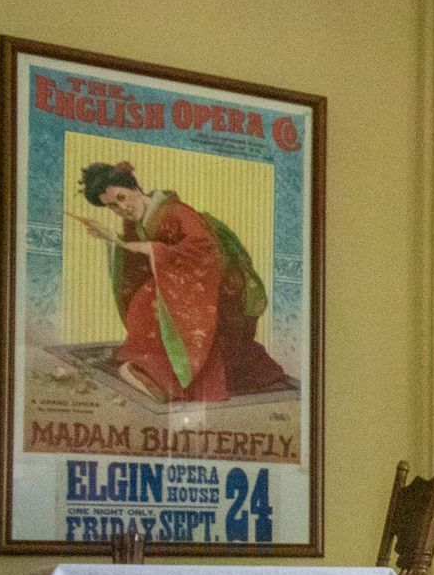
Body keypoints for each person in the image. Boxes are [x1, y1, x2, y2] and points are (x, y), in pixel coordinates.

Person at [72, 161, 289, 403]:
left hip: (220, 284)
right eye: (113, 206)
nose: (122, 208)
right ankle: (151, 363)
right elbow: (138, 258)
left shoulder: (175, 211)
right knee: (143, 301)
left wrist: (131, 246)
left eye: (122, 197)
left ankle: (160, 376)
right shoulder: (137, 219)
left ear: (134, 187)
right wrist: (114, 241)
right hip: (188, 280)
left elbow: (203, 250)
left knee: (150, 302)